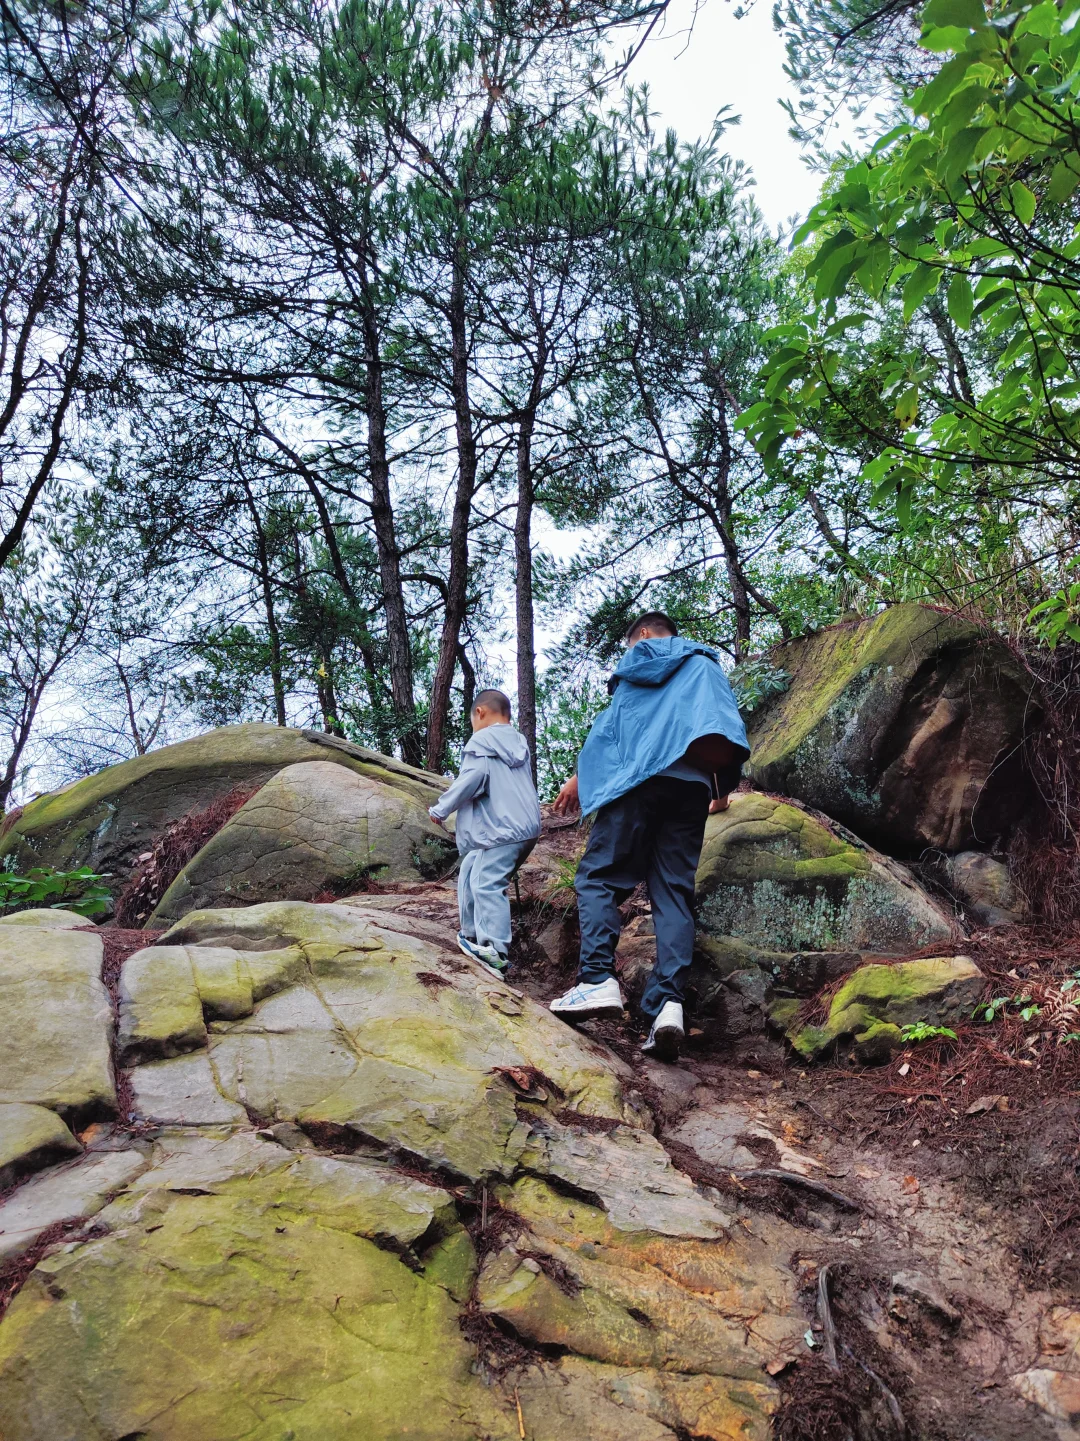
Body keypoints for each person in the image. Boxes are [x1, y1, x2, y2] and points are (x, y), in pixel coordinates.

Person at [547, 612, 749, 1061]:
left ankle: (596, 979)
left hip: (639, 782)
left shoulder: (638, 661)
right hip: (692, 787)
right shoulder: (703, 662)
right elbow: (722, 724)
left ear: (642, 634)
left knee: (598, 879)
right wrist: (720, 789)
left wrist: (582, 778)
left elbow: (614, 727)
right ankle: (668, 1007)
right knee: (674, 894)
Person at [429, 689, 541, 976]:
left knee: (487, 882)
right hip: (525, 827)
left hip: (502, 829)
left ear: (480, 712)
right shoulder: (517, 742)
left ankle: (494, 949)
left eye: (471, 720)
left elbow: (473, 779)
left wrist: (442, 809)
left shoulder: (483, 739)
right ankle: (472, 935)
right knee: (470, 867)